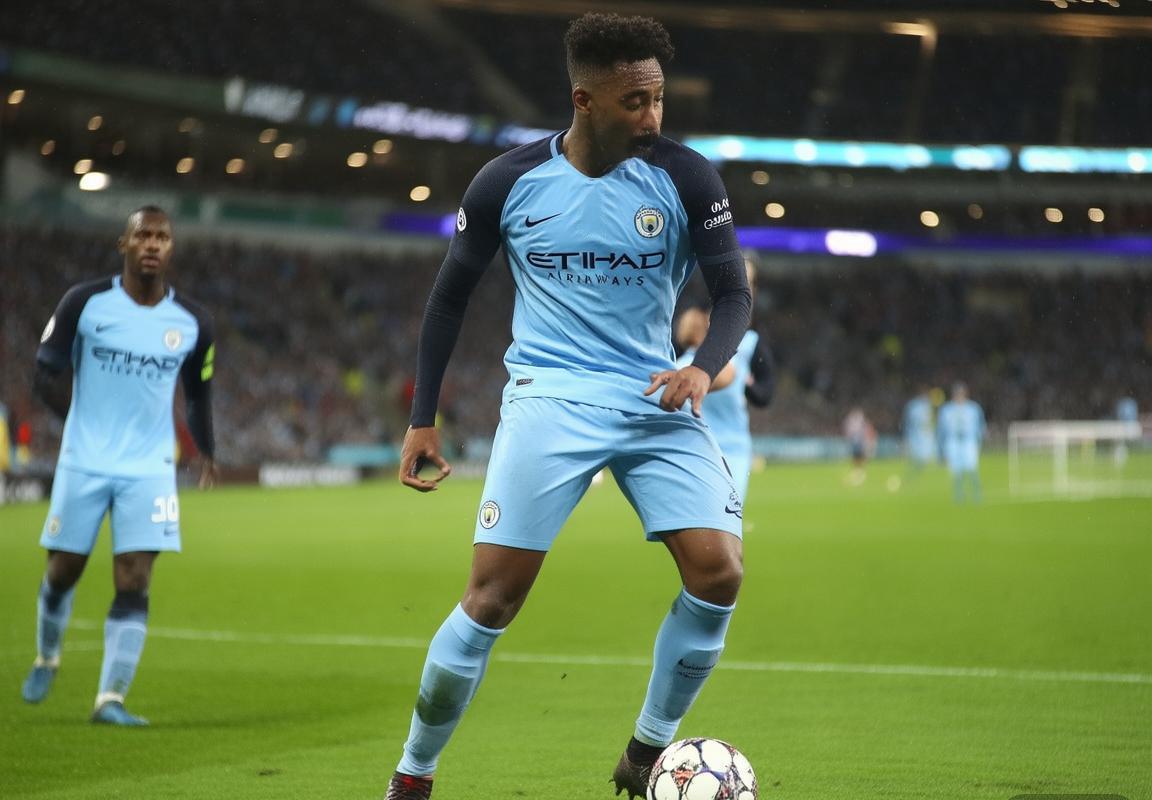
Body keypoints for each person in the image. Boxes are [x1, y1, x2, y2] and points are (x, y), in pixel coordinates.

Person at [390, 12, 751, 800]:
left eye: (658, 98)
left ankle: (646, 751)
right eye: (635, 101)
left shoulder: (687, 178)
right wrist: (423, 418)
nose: (652, 116)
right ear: (585, 100)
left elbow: (733, 292)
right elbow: (448, 299)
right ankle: (413, 774)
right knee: (492, 598)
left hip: (654, 395)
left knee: (719, 572)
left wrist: (702, 368)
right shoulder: (507, 181)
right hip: (549, 398)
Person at [20, 206, 218, 726]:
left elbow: (199, 391)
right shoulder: (84, 303)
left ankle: (110, 698)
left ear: (171, 248)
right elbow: (44, 371)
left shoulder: (193, 322)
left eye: (161, 237)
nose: (152, 244)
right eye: (142, 235)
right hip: (84, 459)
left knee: (135, 577)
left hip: (150, 467)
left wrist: (206, 448)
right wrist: (82, 419)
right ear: (124, 244)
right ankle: (47, 655)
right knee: (64, 569)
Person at [675, 257, 775, 504]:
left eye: (748, 282)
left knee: (722, 515)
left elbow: (765, 394)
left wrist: (745, 384)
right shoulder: (684, 357)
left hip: (731, 447)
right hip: (696, 446)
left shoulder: (750, 344)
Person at [936, 382, 985, 504]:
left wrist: (979, 441)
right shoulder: (946, 410)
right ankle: (959, 494)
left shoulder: (973, 408)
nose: (959, 395)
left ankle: (977, 493)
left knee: (972, 467)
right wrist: (940, 448)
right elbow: (941, 429)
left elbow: (980, 426)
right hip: (953, 441)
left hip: (968, 440)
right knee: (956, 469)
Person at [902, 384, 936, 475]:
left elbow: (933, 421)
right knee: (916, 458)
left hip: (928, 436)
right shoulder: (913, 406)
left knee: (928, 460)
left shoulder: (931, 404)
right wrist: (907, 437)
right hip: (915, 436)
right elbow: (908, 422)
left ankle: (925, 474)